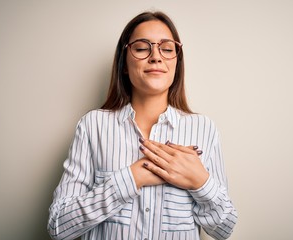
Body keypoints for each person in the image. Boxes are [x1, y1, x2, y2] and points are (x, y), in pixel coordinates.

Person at [48, 11, 237, 240]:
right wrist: (132, 178)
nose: (156, 56)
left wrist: (199, 181)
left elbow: (224, 229)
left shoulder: (204, 129)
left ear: (177, 62)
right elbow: (58, 226)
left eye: (167, 49)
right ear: (124, 64)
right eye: (141, 48)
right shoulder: (93, 126)